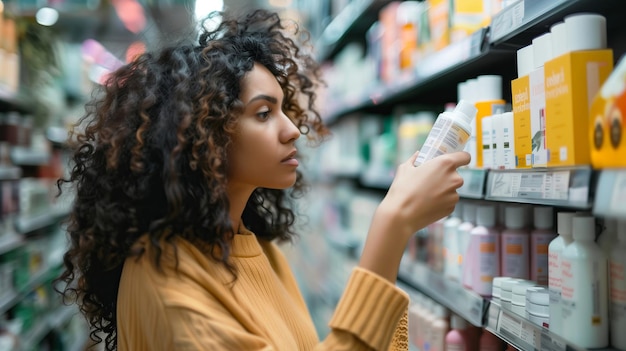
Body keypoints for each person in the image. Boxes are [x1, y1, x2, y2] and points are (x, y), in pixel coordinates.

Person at [56, 8, 470, 351]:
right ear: (205, 133)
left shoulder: (251, 246)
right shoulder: (166, 279)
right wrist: (392, 226)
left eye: (285, 109)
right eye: (263, 113)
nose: (292, 130)